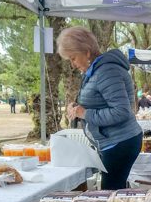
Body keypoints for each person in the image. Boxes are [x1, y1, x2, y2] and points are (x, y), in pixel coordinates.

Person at [57, 26, 142, 190]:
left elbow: (121, 112)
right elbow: (98, 100)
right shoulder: (96, 71)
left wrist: (85, 113)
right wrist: (76, 108)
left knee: (110, 194)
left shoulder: (106, 71)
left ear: (87, 52)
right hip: (113, 141)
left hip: (119, 142)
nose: (72, 65)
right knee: (114, 191)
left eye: (73, 58)